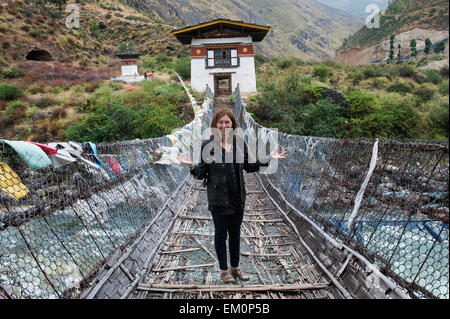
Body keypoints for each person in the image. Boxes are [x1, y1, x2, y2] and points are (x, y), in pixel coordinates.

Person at [178, 107, 287, 283]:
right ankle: (224, 270)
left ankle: (235, 268)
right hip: (218, 199)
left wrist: (269, 157)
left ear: (233, 124)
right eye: (220, 122)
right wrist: (191, 165)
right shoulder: (207, 145)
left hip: (238, 197)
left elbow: (249, 166)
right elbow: (201, 173)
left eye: (227, 122)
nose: (224, 125)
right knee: (221, 235)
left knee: (235, 234)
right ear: (215, 124)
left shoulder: (239, 143)